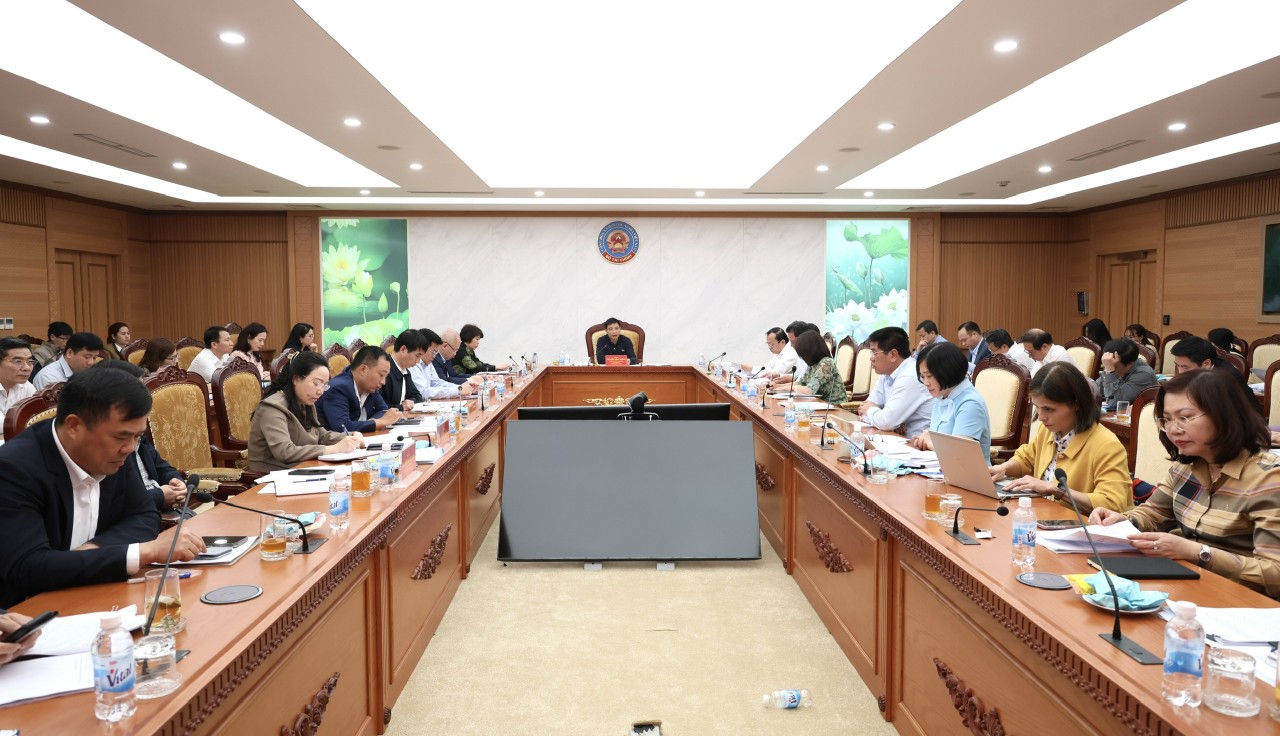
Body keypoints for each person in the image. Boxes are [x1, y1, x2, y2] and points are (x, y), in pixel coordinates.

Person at [0, 366, 205, 608]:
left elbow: (144, 515)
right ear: (74, 426)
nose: (130, 448)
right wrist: (144, 552)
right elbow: (27, 568)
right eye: (121, 437)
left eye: (137, 437)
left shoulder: (114, 452)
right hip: (27, 609)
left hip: (95, 592)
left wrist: (93, 550)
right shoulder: (13, 469)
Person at [1089, 369, 1280, 598]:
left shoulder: (1269, 479)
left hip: (1241, 600)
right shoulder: (1186, 467)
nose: (1173, 429)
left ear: (1224, 415)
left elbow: (1275, 573)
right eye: (1167, 419)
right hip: (1184, 585)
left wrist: (1199, 553)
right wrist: (1123, 520)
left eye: (1185, 417)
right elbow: (1154, 513)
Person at [990, 362, 1132, 514]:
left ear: (1077, 405)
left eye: (1049, 409)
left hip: (1082, 525)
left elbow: (1112, 503)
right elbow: (1025, 459)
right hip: (1043, 516)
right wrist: (1003, 469)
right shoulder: (1048, 430)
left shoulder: (1107, 445)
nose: (1042, 417)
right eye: (1038, 407)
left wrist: (1055, 490)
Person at [93, 360, 193, 517]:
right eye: (137, 390)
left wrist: (175, 482)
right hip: (141, 515)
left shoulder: (135, 428)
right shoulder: (103, 445)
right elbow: (113, 504)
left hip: (161, 509)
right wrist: (159, 496)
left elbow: (161, 467)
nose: (144, 395)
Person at [248, 351, 363, 472]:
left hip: (302, 467)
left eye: (324, 385)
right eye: (316, 383)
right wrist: (333, 449)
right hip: (271, 474)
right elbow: (284, 452)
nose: (320, 391)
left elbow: (322, 436)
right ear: (296, 379)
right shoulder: (272, 407)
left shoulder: (305, 402)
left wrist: (352, 437)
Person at [908, 342, 991, 458]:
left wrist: (930, 441)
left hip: (967, 468)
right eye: (922, 377)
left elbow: (959, 453)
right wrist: (924, 441)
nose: (926, 383)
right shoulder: (942, 395)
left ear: (947, 371)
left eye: (929, 376)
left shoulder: (970, 403)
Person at [857, 326, 934, 438]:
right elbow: (863, 411)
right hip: (895, 438)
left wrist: (883, 420)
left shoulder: (910, 376)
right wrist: (888, 423)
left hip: (916, 444)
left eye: (874, 353)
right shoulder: (885, 373)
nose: (871, 358)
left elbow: (885, 421)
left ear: (893, 355)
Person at [316, 345, 403, 433]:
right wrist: (378, 422)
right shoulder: (339, 388)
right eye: (381, 375)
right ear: (363, 369)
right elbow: (343, 427)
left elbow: (383, 411)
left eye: (385, 376)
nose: (383, 382)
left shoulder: (370, 387)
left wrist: (374, 422)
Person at [410, 329, 475, 399]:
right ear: (423, 348)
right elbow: (424, 392)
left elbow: (437, 383)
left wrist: (459, 388)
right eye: (434, 351)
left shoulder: (428, 362)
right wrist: (458, 390)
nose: (435, 356)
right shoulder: (413, 364)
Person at [32, 332, 103, 390]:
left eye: (94, 358)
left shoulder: (91, 374)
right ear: (70, 353)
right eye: (87, 357)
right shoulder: (49, 377)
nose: (91, 362)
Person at [790, 331, 847, 404]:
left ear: (810, 350)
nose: (803, 358)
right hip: (819, 404)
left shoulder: (826, 363)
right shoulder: (813, 364)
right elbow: (801, 382)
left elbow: (809, 390)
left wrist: (792, 388)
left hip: (834, 406)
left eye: (803, 354)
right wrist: (778, 387)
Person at [1099, 338, 1158, 406]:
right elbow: (1097, 391)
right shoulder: (1112, 363)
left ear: (1130, 363)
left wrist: (1110, 371)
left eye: (1114, 365)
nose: (1107, 366)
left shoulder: (1144, 374)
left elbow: (1113, 402)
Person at [0, 338, 36, 442]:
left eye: (30, 361)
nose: (27, 368)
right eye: (18, 361)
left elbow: (41, 415)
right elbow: (4, 425)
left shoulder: (25, 385)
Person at [381, 330, 428, 411]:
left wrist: (409, 402)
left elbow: (417, 396)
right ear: (403, 349)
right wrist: (401, 407)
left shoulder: (405, 371)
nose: (418, 361)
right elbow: (379, 407)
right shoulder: (384, 371)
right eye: (417, 356)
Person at [770, 321, 820, 388]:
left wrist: (779, 387)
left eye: (792, 342)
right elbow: (799, 378)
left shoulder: (816, 358)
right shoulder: (801, 355)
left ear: (803, 338)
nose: (791, 345)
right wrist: (779, 380)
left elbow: (808, 387)